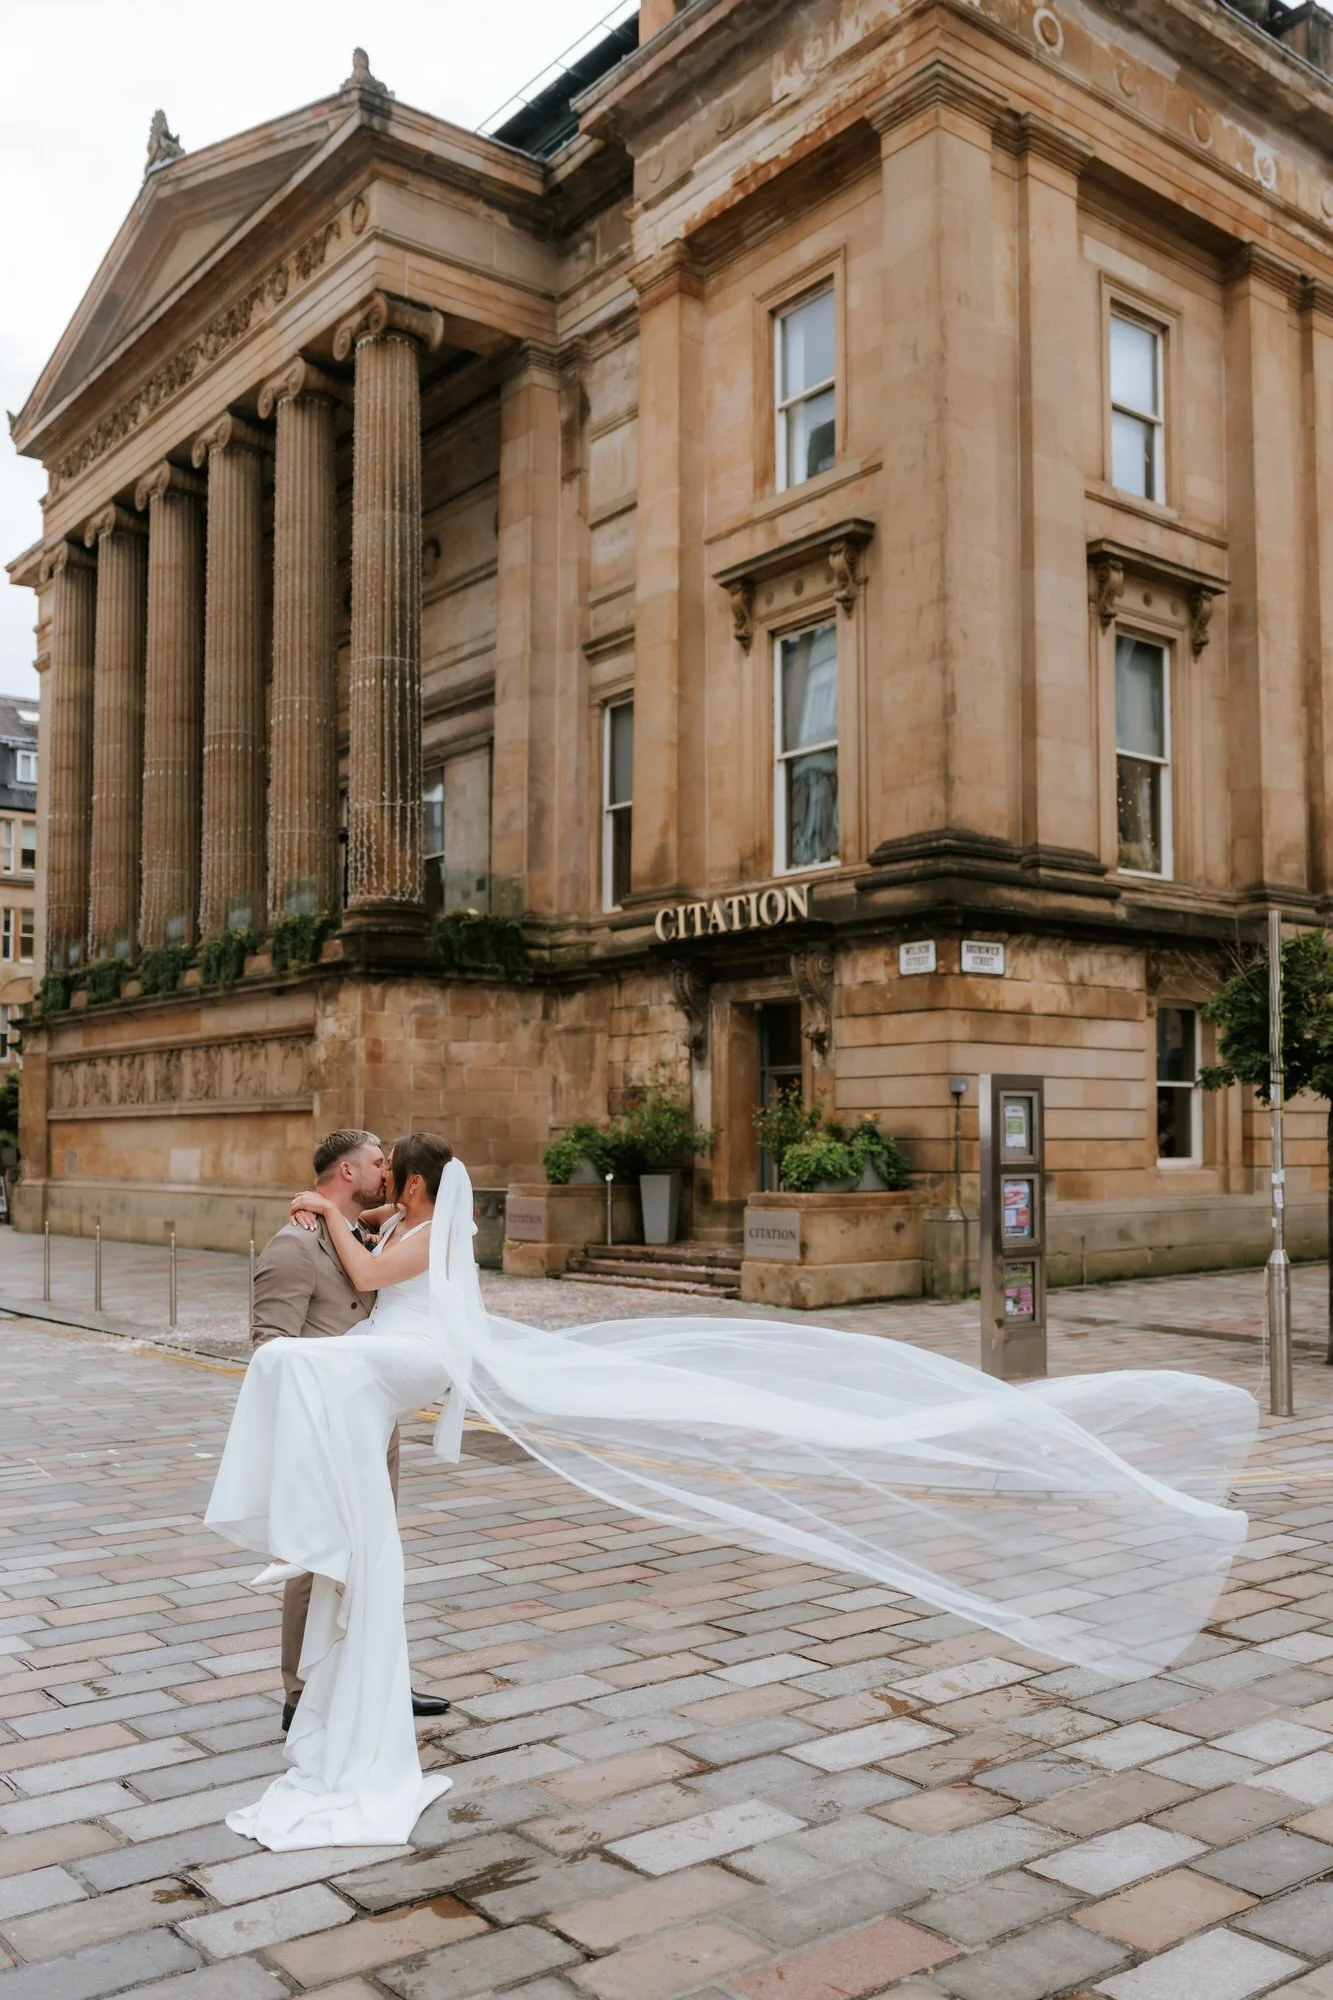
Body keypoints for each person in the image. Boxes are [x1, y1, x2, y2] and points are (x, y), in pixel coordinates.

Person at [208, 1133, 1259, 1852]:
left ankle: (331, 1658)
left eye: (401, 1173)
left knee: (310, 1396)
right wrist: (342, 1219)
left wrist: (328, 1215)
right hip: (377, 1387)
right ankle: (327, 1661)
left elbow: (371, 1269)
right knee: (327, 1446)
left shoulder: (419, 1234)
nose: (387, 1180)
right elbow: (359, 1260)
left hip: (405, 1368)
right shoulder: (404, 1223)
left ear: (426, 1188)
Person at [248, 1127, 451, 1736]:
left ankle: (378, 1679)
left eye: (391, 1164)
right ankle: (300, 1691)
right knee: (316, 1560)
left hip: (373, 1421)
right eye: (374, 1162)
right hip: (323, 1430)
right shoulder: (293, 1247)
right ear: (346, 1173)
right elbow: (269, 1349)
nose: (384, 1171)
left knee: (375, 1555)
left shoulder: (369, 1227)